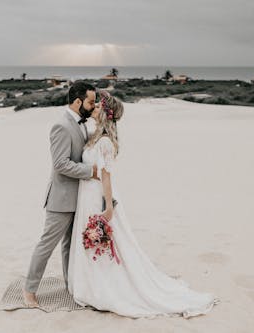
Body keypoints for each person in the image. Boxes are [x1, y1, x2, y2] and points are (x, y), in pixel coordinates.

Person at [67, 90, 220, 318]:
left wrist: (108, 207)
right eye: (95, 105)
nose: (94, 108)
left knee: (105, 242)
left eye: (98, 107)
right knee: (91, 240)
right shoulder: (94, 136)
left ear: (106, 114)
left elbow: (107, 176)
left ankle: (105, 287)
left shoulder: (106, 142)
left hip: (98, 196)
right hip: (86, 195)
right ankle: (91, 283)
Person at [22, 81, 99, 307]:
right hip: (61, 198)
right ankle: (29, 291)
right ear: (77, 102)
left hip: (79, 198)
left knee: (69, 246)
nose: (93, 105)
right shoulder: (61, 126)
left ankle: (70, 284)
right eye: (90, 101)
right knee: (47, 245)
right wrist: (90, 171)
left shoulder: (82, 123)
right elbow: (60, 164)